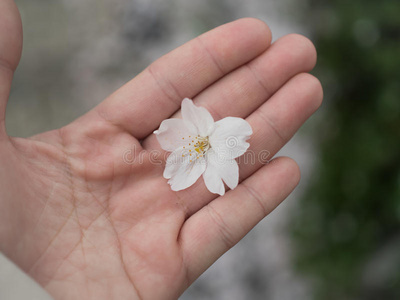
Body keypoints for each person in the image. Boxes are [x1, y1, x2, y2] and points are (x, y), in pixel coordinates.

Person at [0, 0, 323, 299]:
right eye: (197, 144)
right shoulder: (190, 139)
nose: (197, 146)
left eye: (198, 144)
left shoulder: (215, 138)